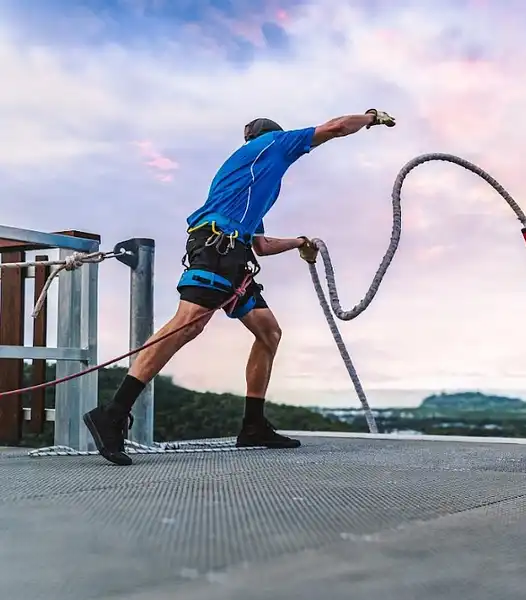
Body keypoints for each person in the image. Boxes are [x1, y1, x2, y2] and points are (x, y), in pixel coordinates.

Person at [82, 110, 397, 466]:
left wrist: (300, 242)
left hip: (235, 254)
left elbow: (259, 244)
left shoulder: (249, 181)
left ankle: (253, 425)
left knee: (268, 331)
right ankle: (113, 411)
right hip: (218, 248)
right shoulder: (274, 144)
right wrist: (370, 117)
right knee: (190, 322)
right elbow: (337, 127)